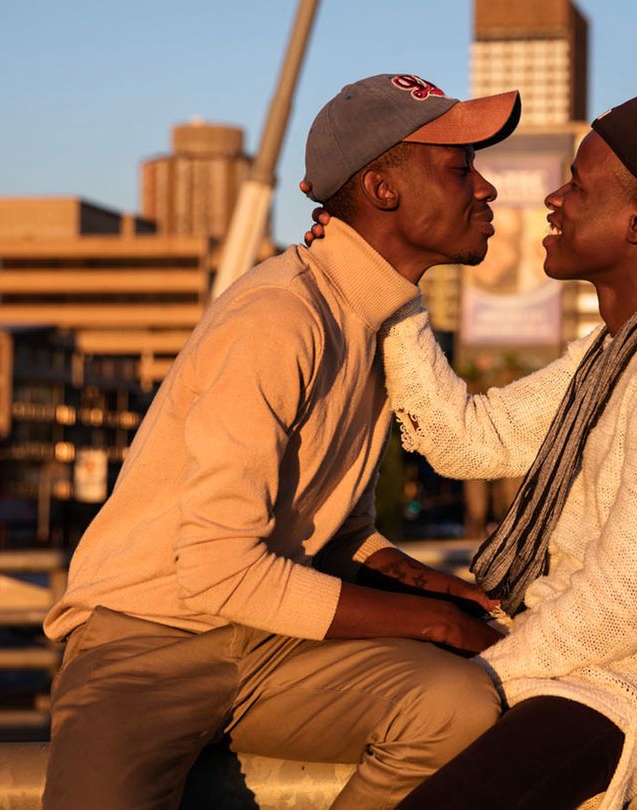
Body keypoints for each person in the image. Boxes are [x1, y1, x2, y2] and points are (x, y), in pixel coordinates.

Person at [41, 73, 522, 810]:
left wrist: (435, 587)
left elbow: (333, 533)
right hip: (144, 645)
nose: (485, 188)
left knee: (459, 706)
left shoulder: (373, 325)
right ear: (383, 190)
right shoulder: (280, 318)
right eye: (461, 167)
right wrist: (433, 622)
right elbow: (217, 569)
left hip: (274, 643)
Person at [311, 93, 637, 809]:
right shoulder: (620, 351)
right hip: (550, 658)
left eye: (580, 185)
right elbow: (468, 440)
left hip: (623, 689)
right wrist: (394, 282)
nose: (555, 200)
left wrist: (481, 672)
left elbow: (623, 603)